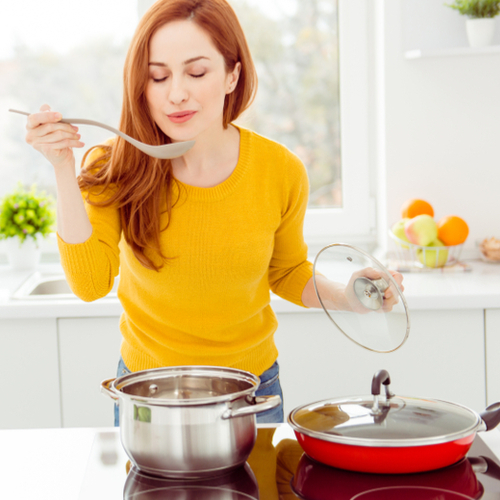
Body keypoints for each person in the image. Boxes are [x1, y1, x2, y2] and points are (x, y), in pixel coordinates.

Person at [24, 0, 403, 425]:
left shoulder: (280, 170)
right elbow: (90, 284)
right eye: (158, 76)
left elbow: (286, 271)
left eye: (197, 72)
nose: (176, 93)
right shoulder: (116, 167)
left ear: (232, 75)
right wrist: (62, 168)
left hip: (252, 394)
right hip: (148, 394)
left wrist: (348, 294)